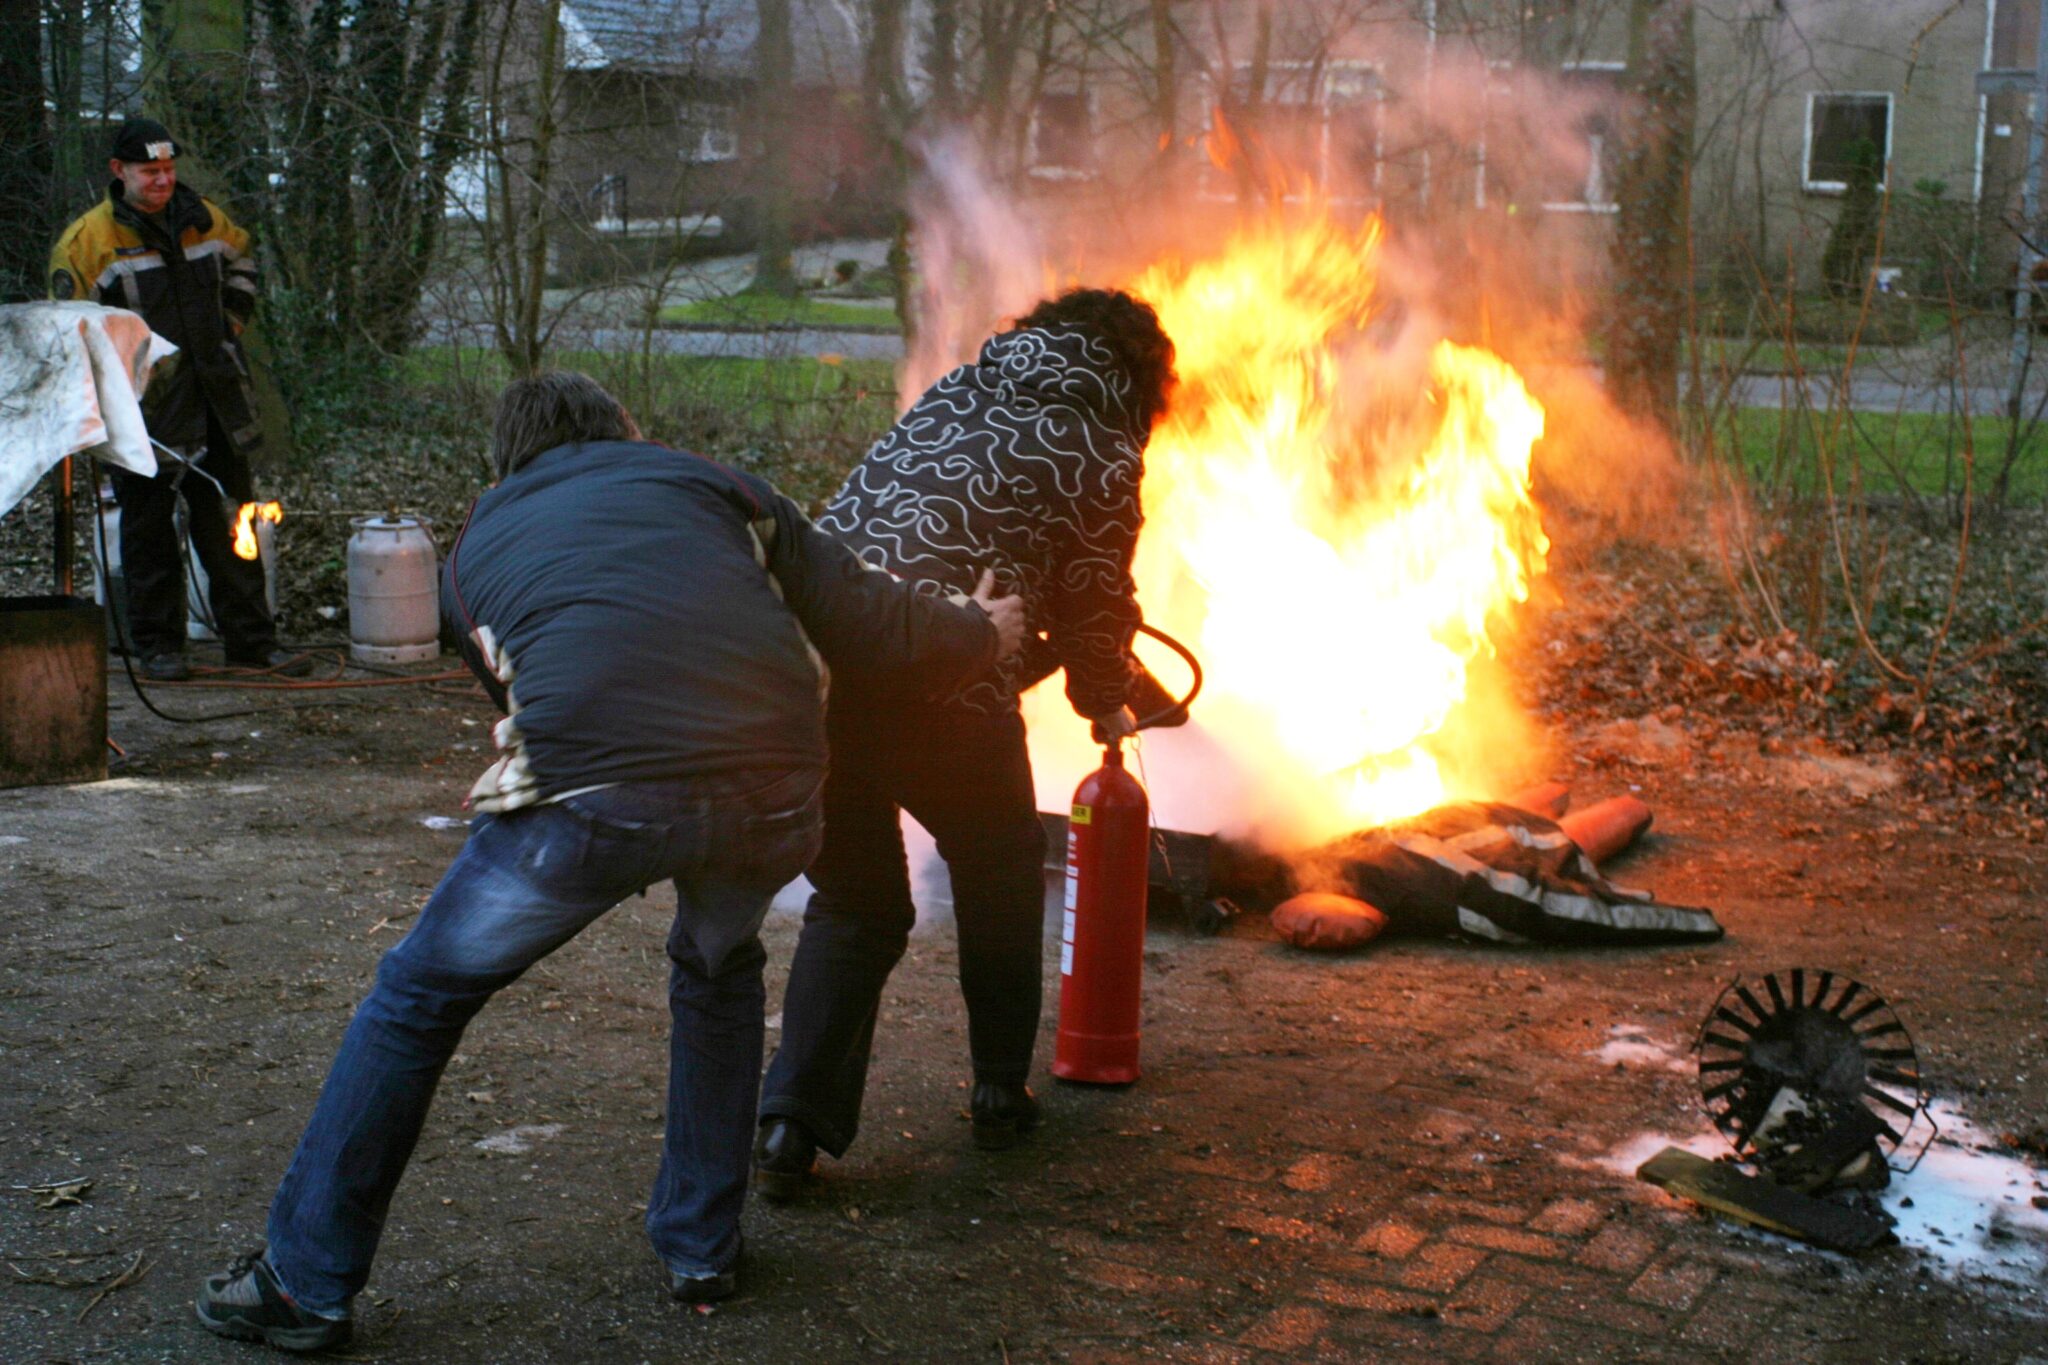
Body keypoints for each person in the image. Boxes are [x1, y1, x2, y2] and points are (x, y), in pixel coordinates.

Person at [193, 373, 1027, 1351]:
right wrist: (981, 631)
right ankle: (699, 1247)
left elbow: (515, 687)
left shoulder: (472, 548)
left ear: (506, 462)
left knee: (417, 996)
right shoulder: (721, 486)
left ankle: (303, 1283)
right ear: (626, 433)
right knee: (717, 968)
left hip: (596, 797)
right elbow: (867, 617)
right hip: (776, 791)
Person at [754, 287, 1177, 1192]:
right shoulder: (1102, 445)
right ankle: (996, 1089)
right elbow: (1095, 602)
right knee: (998, 862)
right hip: (945, 674)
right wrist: (1107, 701)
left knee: (857, 904)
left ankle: (790, 1124)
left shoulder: (955, 391)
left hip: (819, 665)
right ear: (1138, 378)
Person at [48, 116, 304, 681]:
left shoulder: (204, 218)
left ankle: (253, 643)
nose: (163, 181)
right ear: (119, 172)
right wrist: (111, 397)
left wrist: (231, 322)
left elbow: (243, 261)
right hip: (143, 415)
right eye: (150, 171)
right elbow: (67, 334)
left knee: (230, 523)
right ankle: (159, 648)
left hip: (216, 401)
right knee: (148, 532)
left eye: (168, 169)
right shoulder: (88, 243)